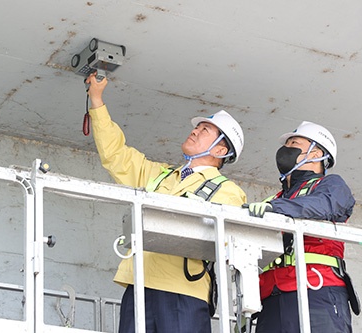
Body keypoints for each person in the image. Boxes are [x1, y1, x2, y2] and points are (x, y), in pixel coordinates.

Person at [85, 72, 247, 333]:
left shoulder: (228, 191)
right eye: (197, 127)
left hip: (182, 291)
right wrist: (97, 99)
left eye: (205, 130)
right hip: (140, 284)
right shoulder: (160, 175)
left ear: (220, 150)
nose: (194, 130)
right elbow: (116, 155)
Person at [245, 121, 359, 332]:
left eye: (294, 143)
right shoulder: (274, 199)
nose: (286, 149)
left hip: (317, 291)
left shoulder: (331, 185)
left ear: (316, 154)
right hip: (271, 297)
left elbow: (323, 205)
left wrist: (275, 208)